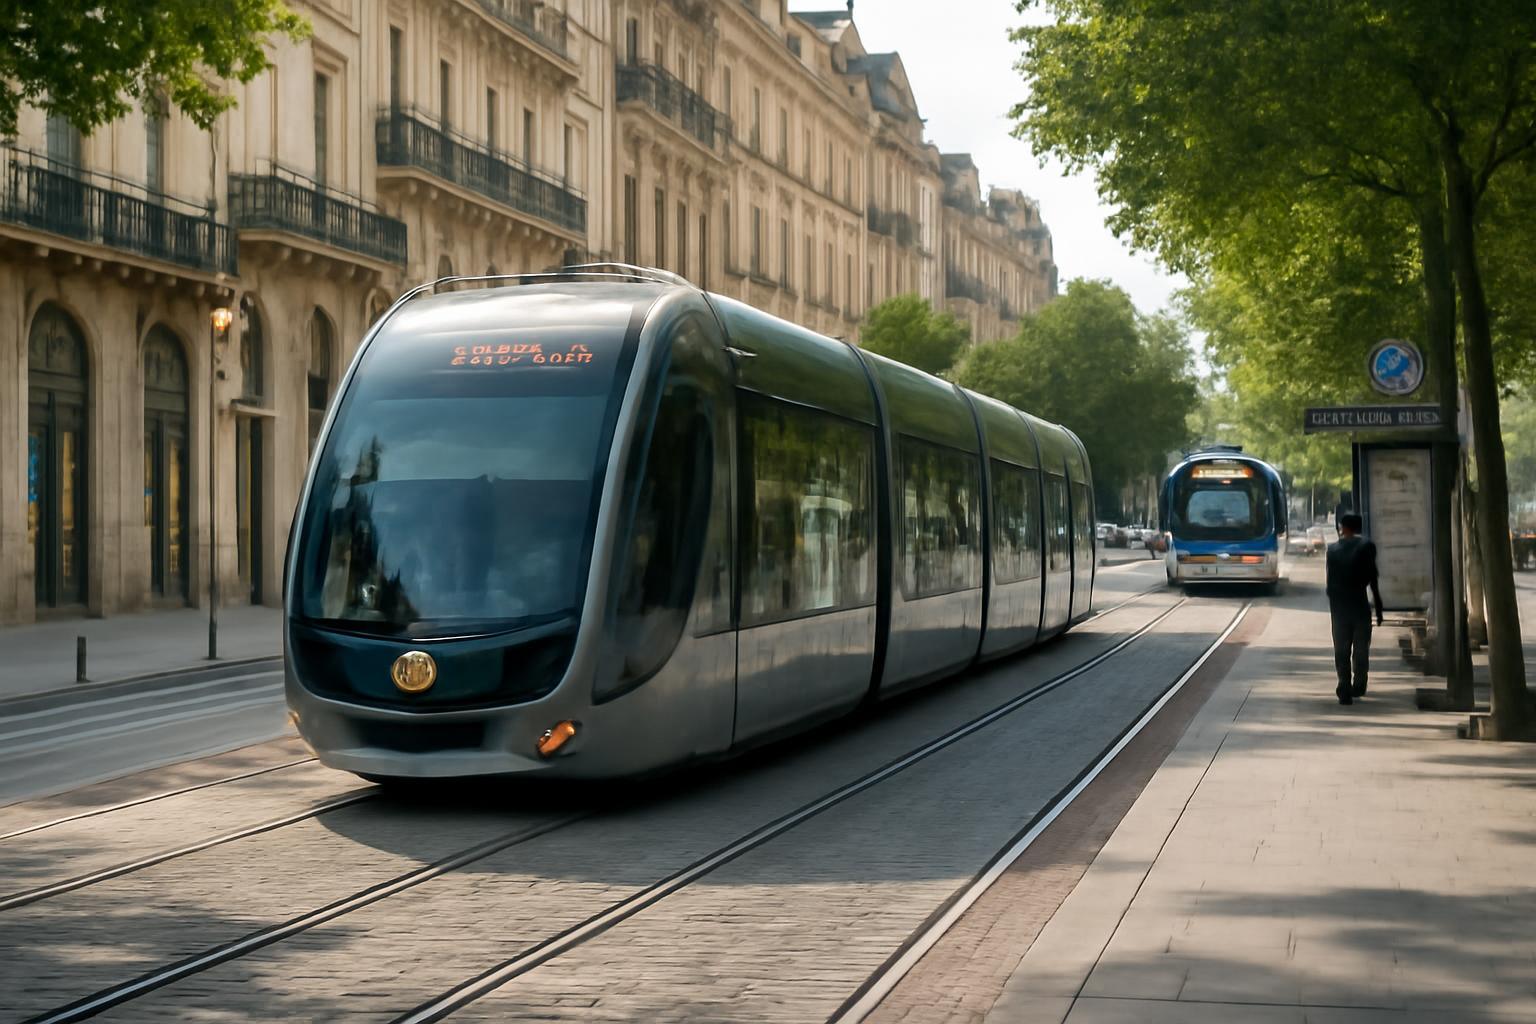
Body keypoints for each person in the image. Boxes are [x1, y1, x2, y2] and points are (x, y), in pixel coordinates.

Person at [1325, 512, 1384, 705]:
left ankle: (1343, 684)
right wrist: (1379, 606)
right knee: (1361, 648)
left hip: (1339, 607)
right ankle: (1359, 684)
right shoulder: (1367, 546)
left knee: (1341, 649)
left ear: (1343, 528)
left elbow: (1329, 583)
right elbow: (1373, 578)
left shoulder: (1332, 550)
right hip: (1359, 604)